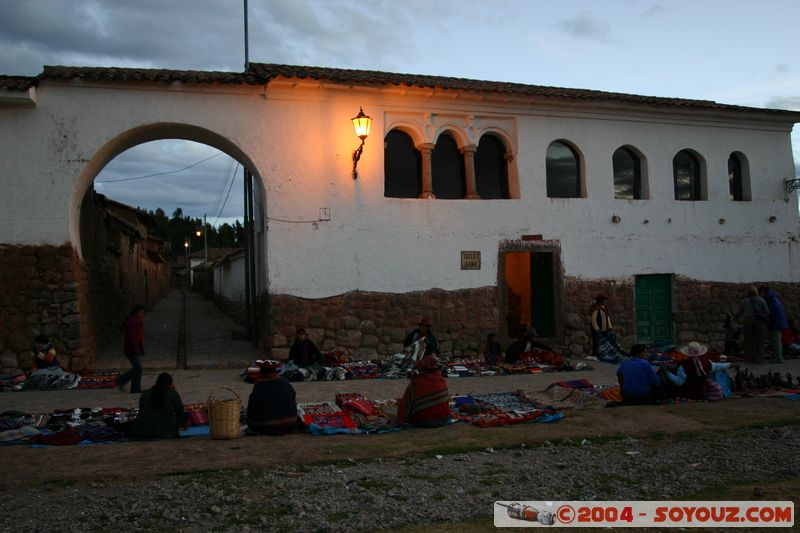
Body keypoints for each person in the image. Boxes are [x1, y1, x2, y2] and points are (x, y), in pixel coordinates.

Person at [247, 360, 302, 435]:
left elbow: (253, 406)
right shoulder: (285, 382)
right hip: (289, 424)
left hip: (267, 425)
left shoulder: (260, 385)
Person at [663, 342, 731, 401]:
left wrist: (666, 372)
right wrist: (729, 364)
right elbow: (719, 366)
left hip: (686, 394)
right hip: (701, 394)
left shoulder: (683, 365)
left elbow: (679, 382)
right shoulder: (707, 363)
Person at [128, 373, 187, 439]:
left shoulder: (145, 394)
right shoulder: (172, 393)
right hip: (164, 431)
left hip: (142, 430)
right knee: (185, 416)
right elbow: (180, 410)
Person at [397, 355, 450, 427]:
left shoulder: (416, 383)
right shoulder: (442, 381)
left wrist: (400, 419)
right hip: (444, 419)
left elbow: (404, 407)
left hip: (422, 421)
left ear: (421, 368)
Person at [733, 286, 769, 363]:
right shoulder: (761, 300)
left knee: (748, 341)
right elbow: (767, 312)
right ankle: (759, 359)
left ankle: (749, 359)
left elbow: (739, 312)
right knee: (760, 341)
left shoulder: (744, 301)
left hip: (747, 321)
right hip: (759, 321)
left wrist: (733, 319)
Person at [119, 304, 145, 393]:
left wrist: (141, 348)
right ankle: (126, 382)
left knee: (137, 368)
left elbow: (139, 337)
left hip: (133, 348)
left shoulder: (136, 321)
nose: (142, 314)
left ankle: (134, 387)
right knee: (137, 368)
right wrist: (136, 348)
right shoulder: (133, 321)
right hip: (131, 349)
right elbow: (132, 337)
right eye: (141, 312)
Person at [759, 286, 788, 363]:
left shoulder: (771, 300)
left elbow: (771, 311)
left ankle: (779, 358)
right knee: (776, 341)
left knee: (776, 341)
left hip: (776, 323)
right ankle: (777, 356)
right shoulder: (773, 298)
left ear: (763, 292)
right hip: (778, 322)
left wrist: (763, 315)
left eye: (760, 294)